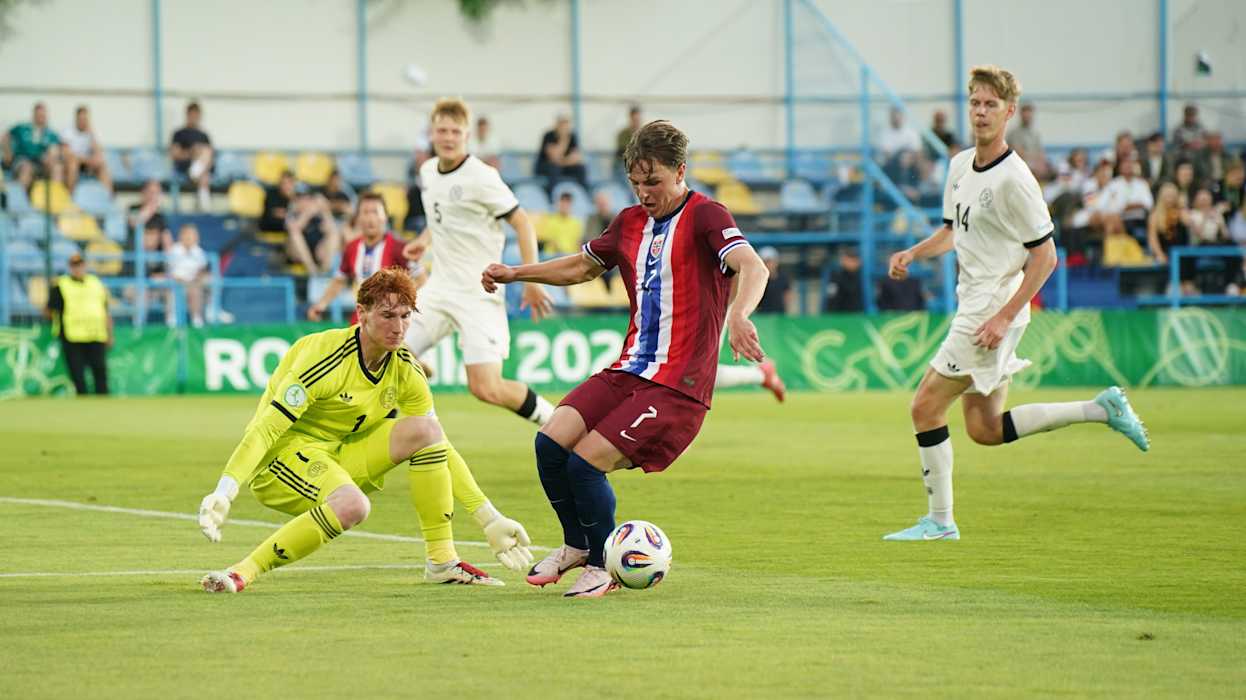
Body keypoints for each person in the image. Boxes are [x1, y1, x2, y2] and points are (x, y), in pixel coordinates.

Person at [480, 119, 772, 597]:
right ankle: (578, 545)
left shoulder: (707, 216)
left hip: (677, 385)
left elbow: (752, 265)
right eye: (636, 183)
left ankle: (602, 565)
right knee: (550, 445)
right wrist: (517, 272)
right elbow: (580, 266)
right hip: (629, 368)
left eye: (653, 182)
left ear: (680, 172)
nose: (644, 193)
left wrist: (739, 314)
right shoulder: (630, 222)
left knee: (584, 465)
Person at [882, 65, 1149, 543]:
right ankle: (1101, 410)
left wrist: (1003, 318)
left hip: (991, 310)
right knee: (984, 428)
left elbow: (1045, 256)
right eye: (975, 103)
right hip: (979, 303)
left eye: (990, 105)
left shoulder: (1017, 180)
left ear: (1010, 113)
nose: (981, 112)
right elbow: (951, 230)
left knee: (924, 407)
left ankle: (941, 523)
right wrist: (913, 253)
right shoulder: (960, 164)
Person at [196, 268, 533, 593]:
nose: (398, 328)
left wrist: (488, 517)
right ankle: (243, 571)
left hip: (340, 455)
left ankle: (442, 561)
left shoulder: (404, 368)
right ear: (362, 313)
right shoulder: (323, 357)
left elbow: (439, 445)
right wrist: (225, 490)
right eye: (388, 315)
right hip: (282, 463)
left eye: (405, 316)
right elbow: (264, 431)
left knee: (427, 430)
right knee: (353, 505)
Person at [402, 98, 557, 427]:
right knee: (388, 350)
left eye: (455, 131)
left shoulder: (482, 176)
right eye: (442, 130)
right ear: (432, 133)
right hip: (439, 288)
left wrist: (529, 281)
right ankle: (417, 430)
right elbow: (444, 215)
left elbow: (523, 223)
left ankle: (557, 423)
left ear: (467, 135)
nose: (448, 137)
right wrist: (423, 241)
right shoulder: (428, 172)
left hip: (479, 293)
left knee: (486, 388)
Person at [308, 192, 409, 324]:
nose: (370, 218)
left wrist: (400, 306)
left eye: (375, 212)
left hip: (391, 322)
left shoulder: (399, 248)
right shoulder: (352, 248)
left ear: (385, 217)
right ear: (358, 218)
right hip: (362, 318)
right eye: (365, 212)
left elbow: (420, 278)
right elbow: (340, 280)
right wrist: (321, 304)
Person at [45, 253, 112, 395]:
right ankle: (82, 400)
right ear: (70, 267)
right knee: (77, 373)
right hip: (72, 336)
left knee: (100, 371)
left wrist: (109, 334)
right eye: (74, 266)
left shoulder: (96, 283)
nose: (78, 269)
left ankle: (103, 401)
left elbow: (105, 310)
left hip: (96, 334)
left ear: (85, 266)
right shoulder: (60, 285)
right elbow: (49, 310)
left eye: (80, 265)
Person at [3, 101, 67, 189]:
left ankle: (55, 198)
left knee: (57, 168)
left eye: (43, 116)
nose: (41, 118)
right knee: (26, 168)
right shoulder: (22, 127)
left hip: (41, 164)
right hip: (22, 161)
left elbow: (54, 150)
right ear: (34, 115)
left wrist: (50, 157)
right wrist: (7, 152)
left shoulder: (51, 134)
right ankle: (20, 200)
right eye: (39, 115)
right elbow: (5, 136)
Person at [169, 101, 214, 211]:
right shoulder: (179, 134)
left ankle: (195, 172)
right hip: (185, 165)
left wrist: (201, 156)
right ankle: (205, 208)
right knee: (204, 172)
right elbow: (175, 154)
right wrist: (192, 152)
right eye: (192, 114)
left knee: (205, 155)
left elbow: (210, 158)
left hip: (202, 168)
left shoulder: (204, 135)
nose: (194, 117)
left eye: (196, 115)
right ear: (187, 115)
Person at [167, 223, 210, 327]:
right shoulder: (174, 250)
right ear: (181, 235)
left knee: (198, 288)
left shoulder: (199, 252)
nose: (190, 237)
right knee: (174, 290)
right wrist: (181, 280)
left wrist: (198, 278)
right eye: (188, 234)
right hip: (177, 283)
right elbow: (170, 272)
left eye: (193, 235)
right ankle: (172, 320)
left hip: (193, 283)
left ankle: (198, 319)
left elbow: (202, 270)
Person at [61, 105, 112, 192]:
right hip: (72, 162)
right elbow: (67, 153)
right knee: (73, 164)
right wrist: (86, 160)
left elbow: (98, 152)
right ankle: (71, 196)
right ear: (76, 119)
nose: (83, 122)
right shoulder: (68, 131)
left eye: (85, 119)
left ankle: (108, 197)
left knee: (102, 165)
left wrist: (92, 134)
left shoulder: (91, 132)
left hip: (86, 163)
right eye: (81, 119)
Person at [534, 114, 589, 190]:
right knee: (554, 168)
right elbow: (554, 157)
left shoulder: (572, 136)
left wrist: (562, 162)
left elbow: (577, 158)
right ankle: (552, 194)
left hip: (562, 166)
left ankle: (584, 192)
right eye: (562, 123)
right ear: (557, 124)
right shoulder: (549, 135)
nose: (565, 126)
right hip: (545, 167)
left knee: (580, 168)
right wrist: (563, 139)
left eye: (566, 123)